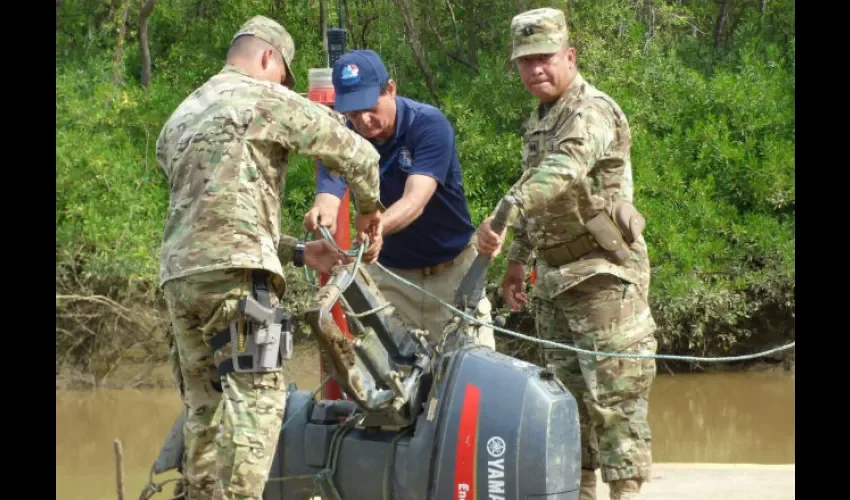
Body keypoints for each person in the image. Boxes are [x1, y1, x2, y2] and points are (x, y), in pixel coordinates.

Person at [155, 16, 384, 500]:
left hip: (178, 281)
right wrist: (368, 211)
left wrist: (300, 252)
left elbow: (210, 220)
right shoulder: (265, 97)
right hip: (238, 279)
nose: (284, 86)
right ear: (268, 59)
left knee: (203, 407)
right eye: (283, 75)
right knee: (257, 401)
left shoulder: (179, 118)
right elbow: (358, 154)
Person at [475, 8, 658, 500]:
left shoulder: (591, 110)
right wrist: (517, 260)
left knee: (616, 402)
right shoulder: (540, 120)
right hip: (557, 281)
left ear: (569, 56)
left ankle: (625, 495)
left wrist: (505, 210)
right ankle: (579, 490)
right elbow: (540, 199)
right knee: (568, 404)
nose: (536, 69)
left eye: (545, 58)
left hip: (602, 277)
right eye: (525, 61)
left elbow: (565, 169)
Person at [303, 49, 495, 349]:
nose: (363, 120)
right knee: (392, 382)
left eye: (369, 107)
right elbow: (329, 192)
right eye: (353, 113)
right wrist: (321, 214)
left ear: (390, 89)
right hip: (390, 280)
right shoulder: (344, 137)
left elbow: (415, 200)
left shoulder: (427, 125)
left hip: (452, 275)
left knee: (472, 380)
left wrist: (378, 227)